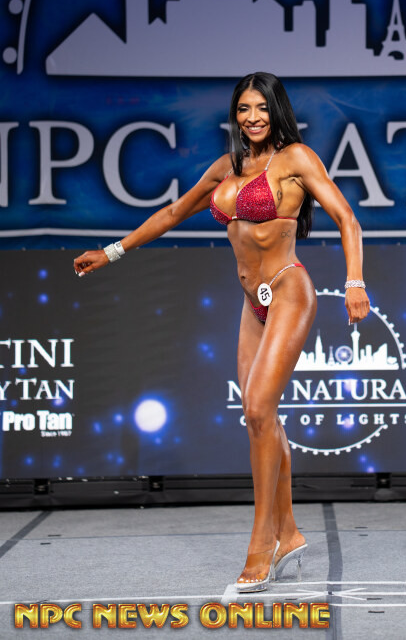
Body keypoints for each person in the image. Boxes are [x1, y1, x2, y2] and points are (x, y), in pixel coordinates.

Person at [74, 72, 370, 591]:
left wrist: (354, 282)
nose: (252, 117)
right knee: (259, 419)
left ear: (276, 110)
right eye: (244, 109)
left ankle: (262, 544)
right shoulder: (226, 168)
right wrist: (112, 252)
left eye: (261, 108)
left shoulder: (296, 159)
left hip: (288, 290)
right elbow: (173, 212)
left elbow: (347, 219)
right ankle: (290, 533)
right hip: (251, 303)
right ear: (235, 114)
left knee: (258, 408)